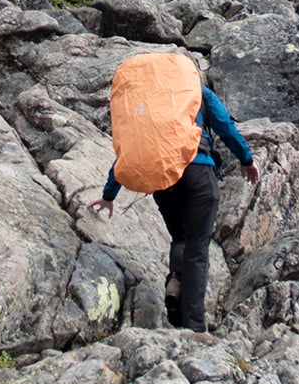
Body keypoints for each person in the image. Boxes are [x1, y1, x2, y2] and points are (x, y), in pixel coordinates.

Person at [86, 75, 258, 332]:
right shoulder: (197, 91)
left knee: (181, 237)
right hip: (198, 173)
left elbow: (132, 151)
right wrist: (246, 159)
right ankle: (195, 327)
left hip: (162, 178)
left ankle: (176, 285)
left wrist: (109, 194)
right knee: (197, 248)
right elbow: (225, 127)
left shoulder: (148, 104)